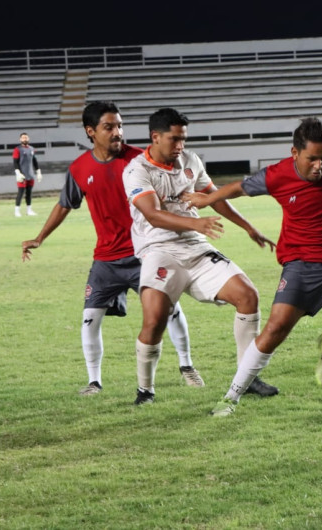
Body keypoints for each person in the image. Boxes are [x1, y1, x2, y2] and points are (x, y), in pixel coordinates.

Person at [183, 117, 322, 417]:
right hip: (302, 266)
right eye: (312, 159)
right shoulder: (277, 176)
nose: (319, 165)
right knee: (275, 330)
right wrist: (208, 198)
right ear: (295, 153)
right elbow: (239, 188)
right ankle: (231, 398)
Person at [22, 101, 205, 396]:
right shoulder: (79, 169)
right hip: (106, 259)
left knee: (169, 310)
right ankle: (94, 382)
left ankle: (187, 366)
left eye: (120, 125)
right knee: (89, 318)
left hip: (145, 253)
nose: (117, 132)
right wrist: (40, 237)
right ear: (91, 131)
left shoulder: (140, 160)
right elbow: (65, 205)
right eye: (109, 127)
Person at [123, 107, 278, 405]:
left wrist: (248, 227)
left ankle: (248, 378)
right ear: (155, 137)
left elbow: (213, 198)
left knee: (248, 295)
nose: (180, 145)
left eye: (183, 139)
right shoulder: (136, 170)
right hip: (159, 249)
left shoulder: (190, 161)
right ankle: (145, 390)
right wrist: (195, 223)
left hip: (196, 247)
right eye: (174, 139)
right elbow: (152, 215)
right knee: (154, 320)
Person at [13, 132, 43, 217]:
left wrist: (38, 172)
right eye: (23, 138)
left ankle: (29, 210)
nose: (24, 139)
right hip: (22, 175)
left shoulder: (31, 149)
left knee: (29, 193)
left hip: (30, 175)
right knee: (21, 192)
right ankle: (17, 211)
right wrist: (18, 173)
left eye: (26, 137)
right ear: (20, 139)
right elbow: (15, 162)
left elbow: (34, 161)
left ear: (28, 138)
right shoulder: (17, 149)